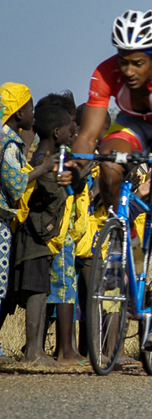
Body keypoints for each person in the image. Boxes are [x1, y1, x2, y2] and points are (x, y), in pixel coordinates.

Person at [65, 10, 152, 350]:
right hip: (133, 126)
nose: (128, 71)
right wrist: (77, 166)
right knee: (109, 160)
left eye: (137, 63)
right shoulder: (105, 72)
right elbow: (89, 135)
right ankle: (119, 228)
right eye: (123, 61)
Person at [13, 105, 73, 366]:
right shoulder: (42, 161)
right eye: (70, 131)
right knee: (36, 292)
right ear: (57, 133)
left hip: (40, 237)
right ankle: (33, 352)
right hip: (37, 237)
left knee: (40, 290)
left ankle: (36, 349)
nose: (72, 136)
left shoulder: (47, 159)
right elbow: (47, 202)